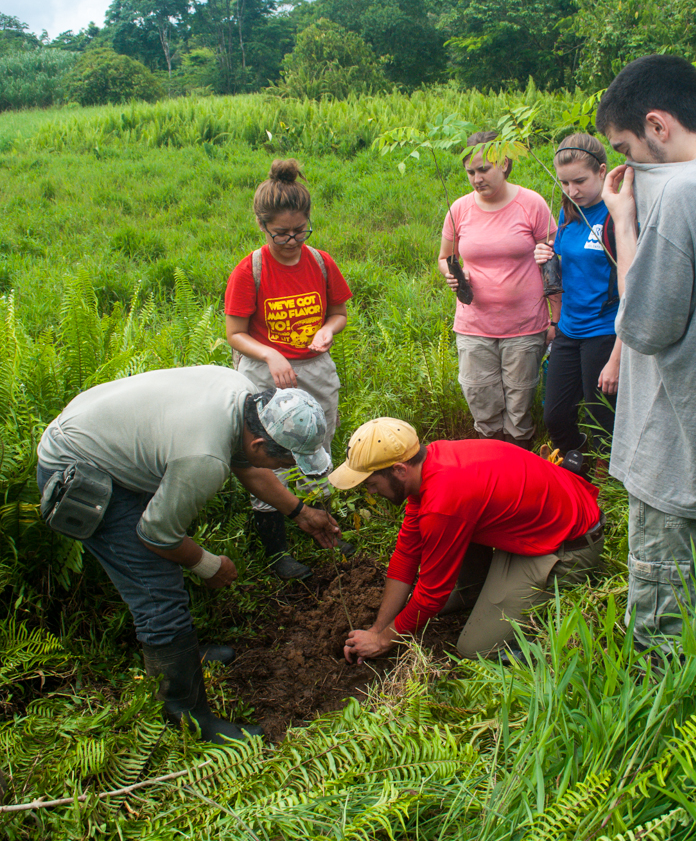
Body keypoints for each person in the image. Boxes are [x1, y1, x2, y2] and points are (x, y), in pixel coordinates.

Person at [36, 366, 341, 743]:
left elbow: (247, 464)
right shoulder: (203, 458)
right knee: (157, 590)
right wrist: (207, 564)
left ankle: (180, 658)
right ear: (261, 444)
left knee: (167, 559)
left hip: (110, 443)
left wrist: (300, 513)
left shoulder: (245, 400)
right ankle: (185, 716)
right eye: (285, 463)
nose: (285, 469)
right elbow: (157, 534)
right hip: (81, 469)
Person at [596, 53, 696, 652]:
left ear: (657, 124)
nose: (625, 163)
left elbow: (645, 327)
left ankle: (660, 736)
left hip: (677, 453)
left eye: (623, 148)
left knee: (664, 632)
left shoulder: (681, 198)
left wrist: (623, 222)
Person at [330, 417, 603, 661]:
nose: (372, 491)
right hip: (540, 524)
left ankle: (550, 646)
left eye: (372, 483)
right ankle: (474, 590)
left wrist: (383, 641)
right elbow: (407, 553)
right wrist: (378, 627)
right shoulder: (426, 465)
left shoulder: (443, 501)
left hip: (571, 545)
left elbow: (431, 594)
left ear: (399, 470)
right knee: (446, 539)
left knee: (475, 648)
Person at [225, 159, 352, 580]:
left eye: (300, 231)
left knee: (317, 443)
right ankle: (278, 553)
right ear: (262, 226)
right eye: (282, 233)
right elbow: (236, 333)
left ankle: (326, 530)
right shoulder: (251, 270)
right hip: (265, 373)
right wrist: (271, 354)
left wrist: (327, 331)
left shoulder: (320, 262)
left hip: (314, 367)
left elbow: (339, 313)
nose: (292, 240)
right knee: (267, 452)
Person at [438, 131, 560, 449]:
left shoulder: (531, 203)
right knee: (479, 392)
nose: (477, 179)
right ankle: (491, 451)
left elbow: (554, 263)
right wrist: (452, 274)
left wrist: (555, 319)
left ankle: (520, 452)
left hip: (524, 324)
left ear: (503, 164)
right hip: (474, 323)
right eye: (470, 172)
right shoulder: (460, 209)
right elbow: (444, 257)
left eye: (484, 170)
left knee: (519, 398)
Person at [533, 133, 622, 459]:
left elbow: (633, 283)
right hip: (570, 327)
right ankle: (577, 459)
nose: (572, 190)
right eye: (565, 183)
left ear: (602, 171)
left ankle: (606, 483)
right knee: (555, 416)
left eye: (580, 181)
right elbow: (562, 265)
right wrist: (546, 254)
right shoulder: (568, 211)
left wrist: (617, 355)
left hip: (605, 329)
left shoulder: (618, 215)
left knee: (601, 416)